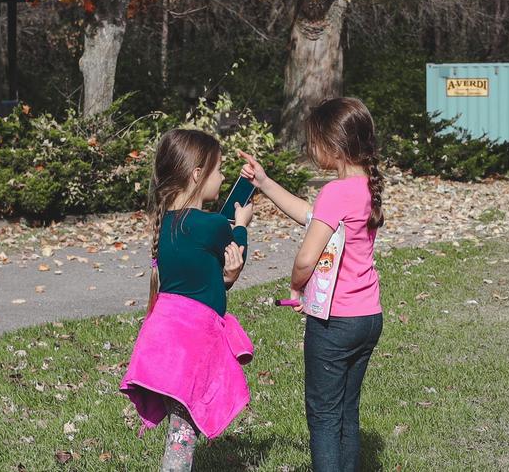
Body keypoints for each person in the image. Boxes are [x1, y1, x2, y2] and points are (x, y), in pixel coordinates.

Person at [238, 97, 387, 472]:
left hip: (334, 324)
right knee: (346, 413)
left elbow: (306, 258)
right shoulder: (365, 187)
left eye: (314, 141)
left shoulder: (335, 193)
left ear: (333, 145)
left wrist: (296, 286)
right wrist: (265, 183)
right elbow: (310, 216)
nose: (310, 148)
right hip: (368, 318)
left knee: (323, 416)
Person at [118, 129, 254, 472]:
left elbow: (204, 278)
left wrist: (227, 279)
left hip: (163, 340)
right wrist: (241, 226)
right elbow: (235, 251)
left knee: (180, 424)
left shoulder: (166, 223)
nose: (222, 177)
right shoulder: (212, 225)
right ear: (197, 175)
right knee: (182, 432)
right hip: (190, 346)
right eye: (218, 169)